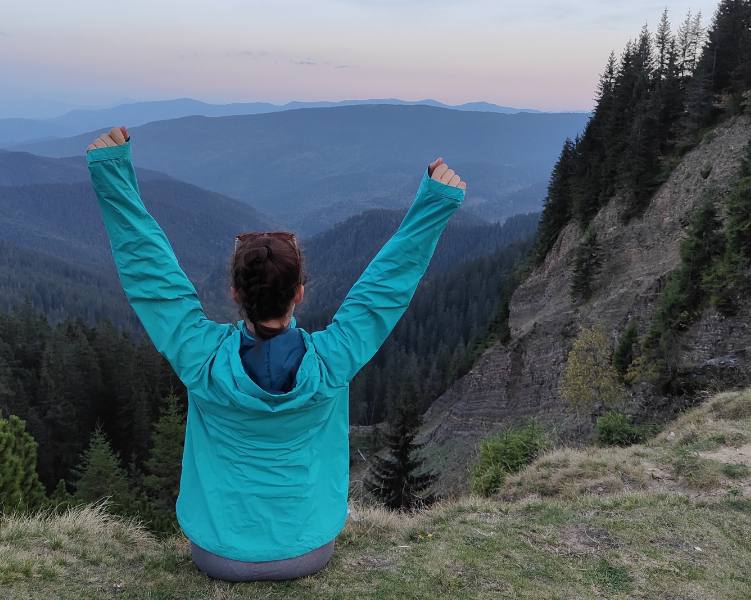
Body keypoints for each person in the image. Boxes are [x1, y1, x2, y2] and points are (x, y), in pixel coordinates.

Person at [85, 126, 467, 582]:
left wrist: (112, 174)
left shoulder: (202, 360)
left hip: (216, 553)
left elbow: (152, 275)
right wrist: (434, 203)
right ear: (301, 293)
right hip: (308, 549)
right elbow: (384, 288)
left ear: (234, 293)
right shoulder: (330, 362)